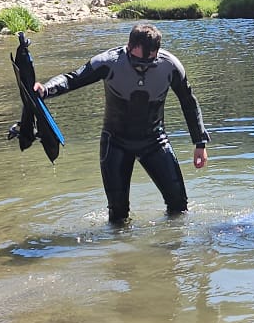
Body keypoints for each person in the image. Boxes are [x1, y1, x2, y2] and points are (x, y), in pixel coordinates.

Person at [34, 23, 209, 225]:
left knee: (179, 207)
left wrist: (200, 143)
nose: (142, 68)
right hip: (115, 143)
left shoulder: (170, 66)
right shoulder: (108, 62)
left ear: (157, 52)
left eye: (149, 63)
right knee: (118, 216)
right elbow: (72, 78)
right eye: (138, 62)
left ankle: (171, 248)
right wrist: (45, 90)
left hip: (155, 141)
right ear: (128, 46)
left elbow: (189, 102)